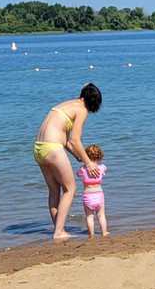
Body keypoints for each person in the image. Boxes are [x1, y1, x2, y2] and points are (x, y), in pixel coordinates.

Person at [34, 83, 102, 240]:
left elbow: (63, 139)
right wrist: (88, 162)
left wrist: (75, 155)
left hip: (39, 148)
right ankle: (58, 232)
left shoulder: (65, 105)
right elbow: (75, 140)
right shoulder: (82, 109)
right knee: (70, 189)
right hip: (52, 149)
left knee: (54, 191)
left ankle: (58, 229)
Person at [78, 144, 109, 237]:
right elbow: (104, 171)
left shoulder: (83, 169)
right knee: (101, 216)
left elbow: (78, 174)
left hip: (88, 195)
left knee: (89, 217)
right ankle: (104, 233)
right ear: (99, 157)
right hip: (99, 194)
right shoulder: (102, 168)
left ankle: (91, 234)